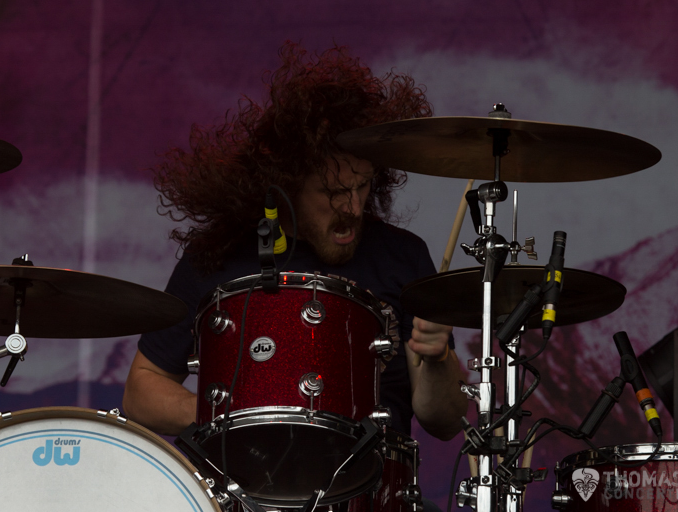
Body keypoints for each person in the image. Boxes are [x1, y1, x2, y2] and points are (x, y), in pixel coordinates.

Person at [123, 43, 466, 508]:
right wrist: (235, 416)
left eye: (363, 185)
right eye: (332, 191)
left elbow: (444, 422)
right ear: (286, 183)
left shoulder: (402, 257)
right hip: (242, 489)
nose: (352, 206)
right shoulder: (218, 258)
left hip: (370, 492)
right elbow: (140, 392)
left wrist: (438, 359)